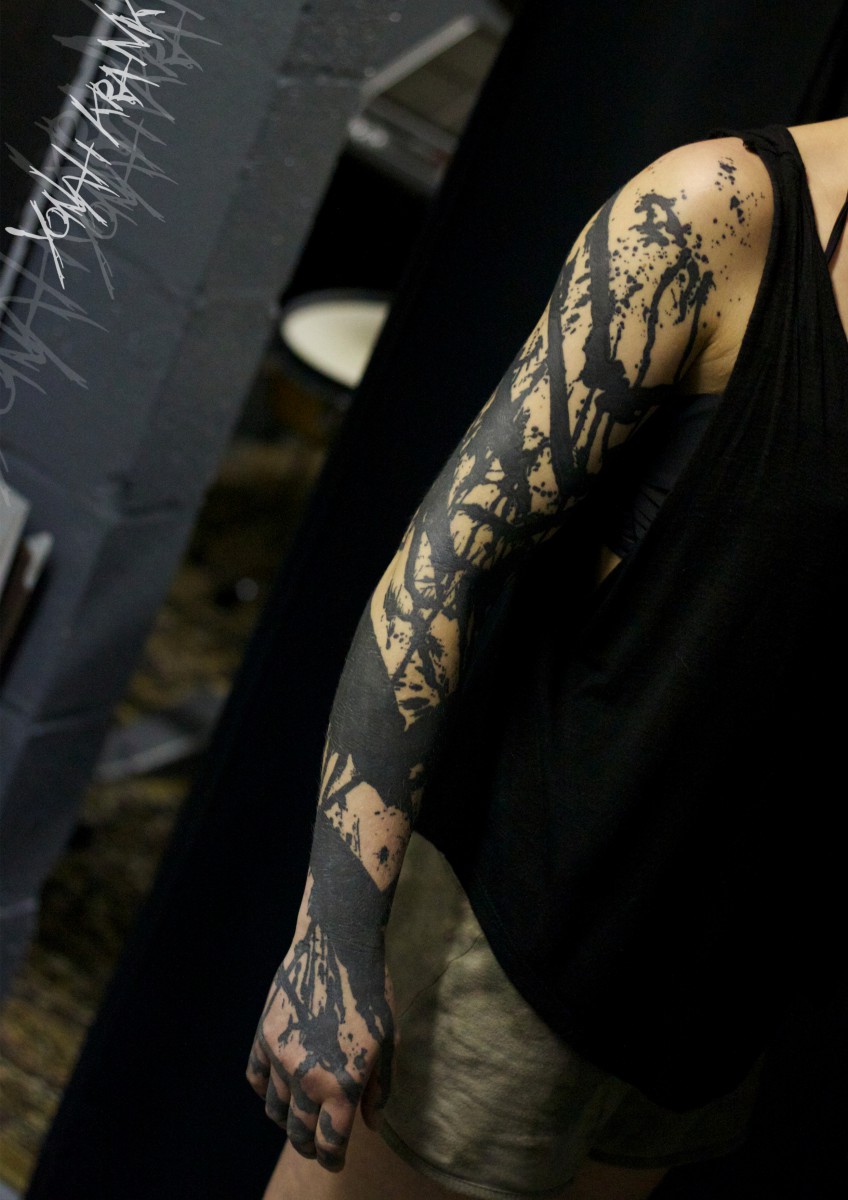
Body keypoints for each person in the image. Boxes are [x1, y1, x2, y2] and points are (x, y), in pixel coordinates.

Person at [246, 116, 848, 1199]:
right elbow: (442, 569)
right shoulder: (718, 211)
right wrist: (333, 936)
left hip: (708, 990)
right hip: (514, 945)